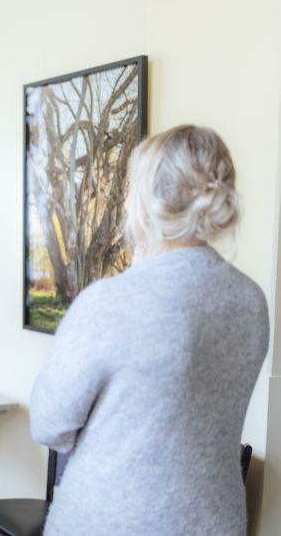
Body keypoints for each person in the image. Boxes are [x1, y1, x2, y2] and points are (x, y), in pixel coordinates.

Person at [29, 125, 269, 536]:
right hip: (214, 520)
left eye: (130, 186)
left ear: (147, 199)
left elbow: (50, 423)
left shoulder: (112, 300)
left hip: (114, 520)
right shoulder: (251, 300)